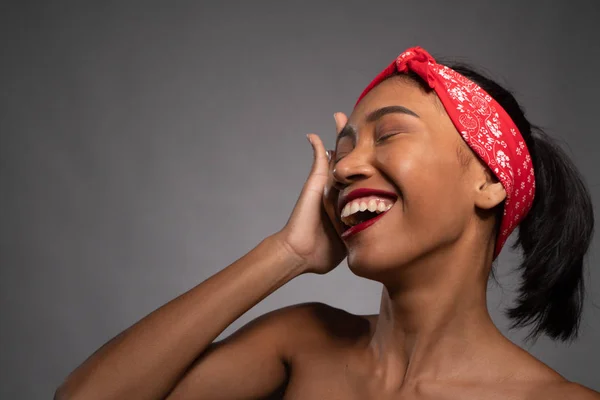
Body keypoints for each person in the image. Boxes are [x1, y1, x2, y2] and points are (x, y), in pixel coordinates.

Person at [55, 47, 599, 399]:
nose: (345, 167)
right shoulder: (302, 342)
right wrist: (288, 253)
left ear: (488, 182)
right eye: (344, 149)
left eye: (387, 135)